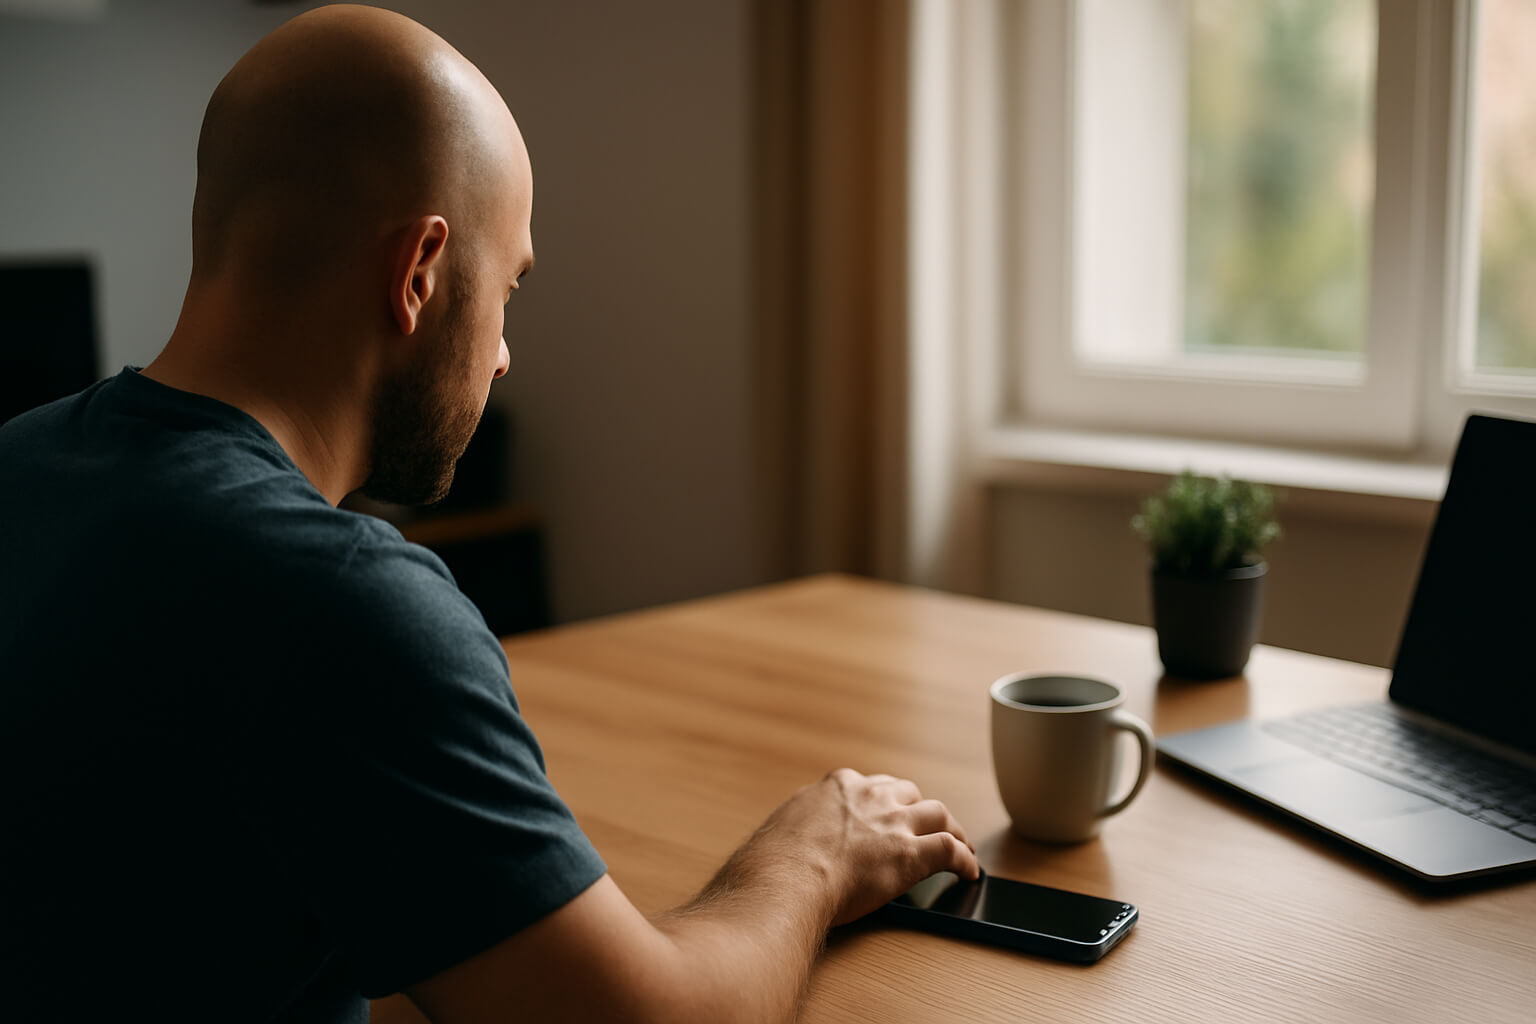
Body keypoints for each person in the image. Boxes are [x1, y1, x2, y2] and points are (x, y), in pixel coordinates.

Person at [0, 5, 979, 1023]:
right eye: (507, 288)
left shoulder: (20, 460)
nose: (504, 353)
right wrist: (811, 851)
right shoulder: (336, 602)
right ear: (419, 273)